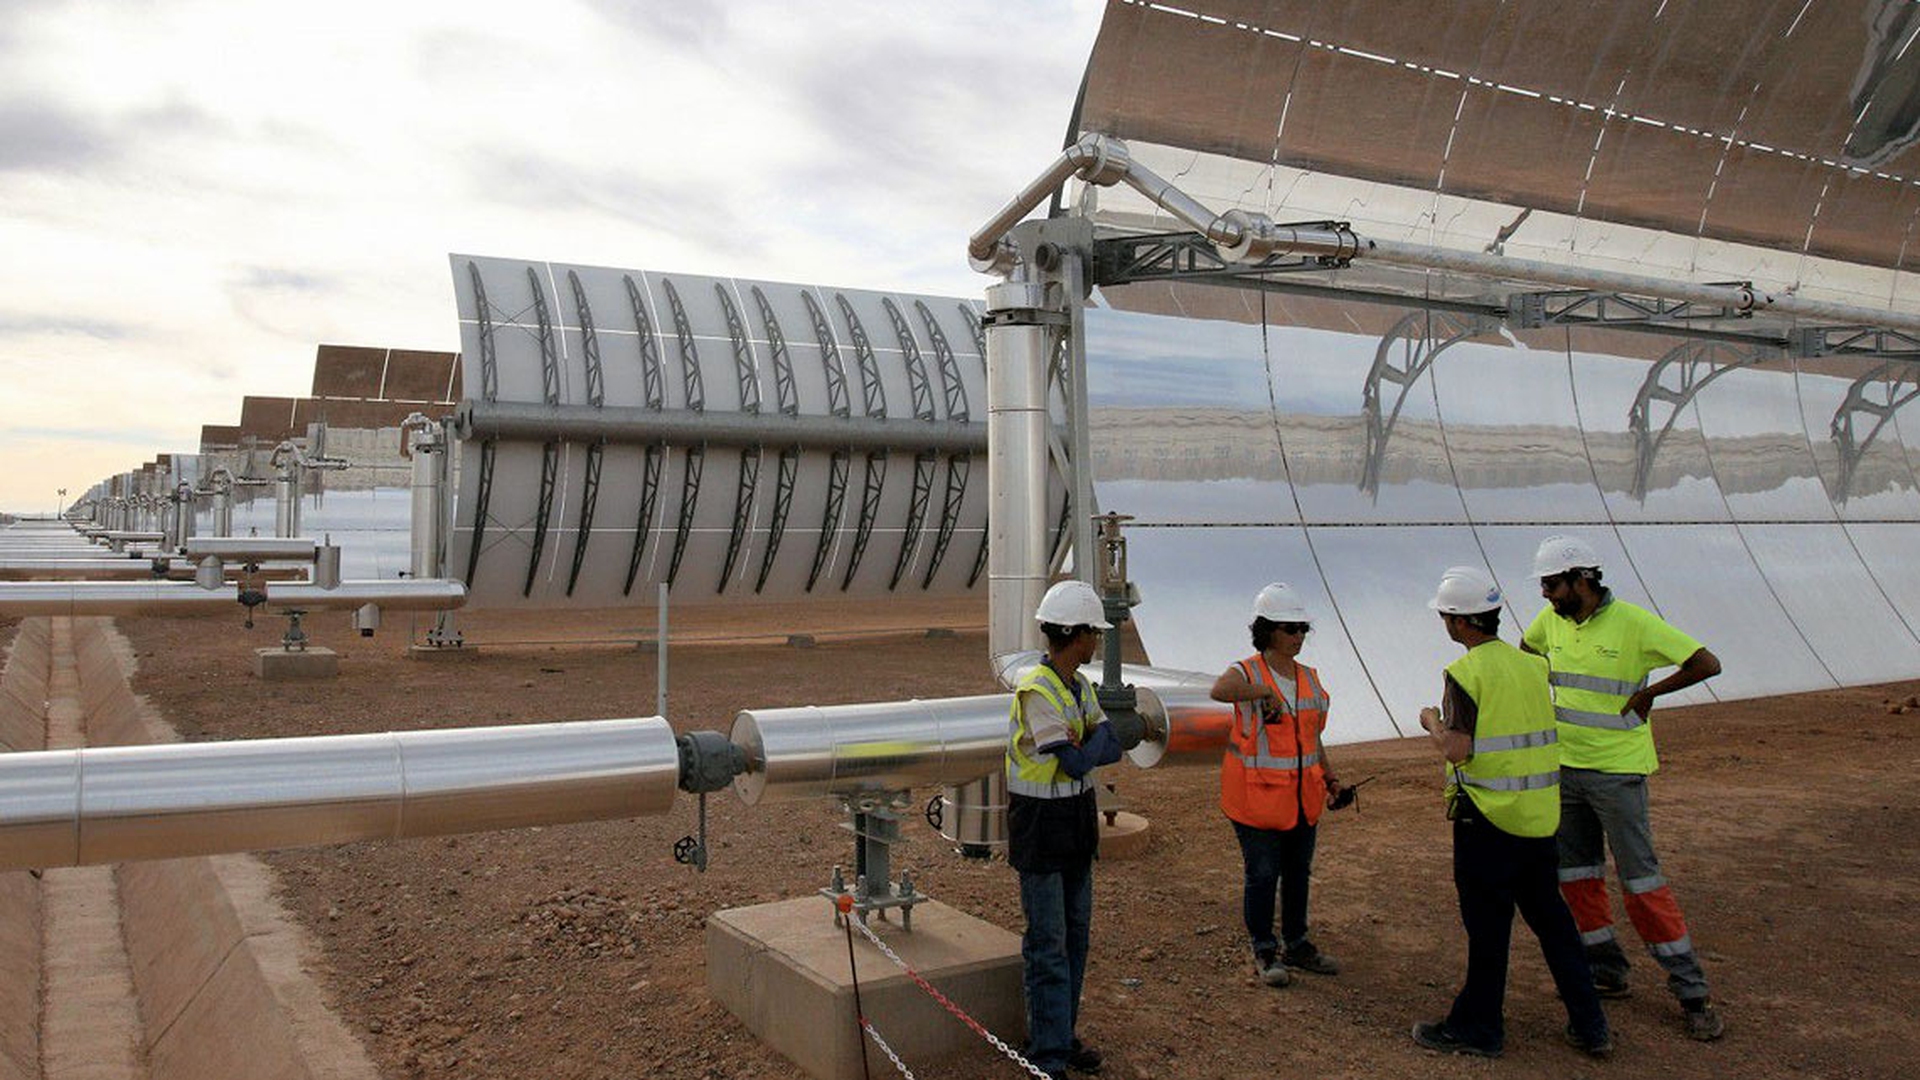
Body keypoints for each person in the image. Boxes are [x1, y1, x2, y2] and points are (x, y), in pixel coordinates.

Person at [1523, 534, 1725, 1041]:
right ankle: (1606, 968)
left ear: (1582, 579)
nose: (1546, 595)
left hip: (1617, 775)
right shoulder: (1552, 622)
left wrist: (1650, 692)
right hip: (1565, 770)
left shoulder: (1634, 623)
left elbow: (1706, 663)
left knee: (1641, 882)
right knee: (1577, 876)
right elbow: (1526, 659)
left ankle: (1692, 992)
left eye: (1552, 584)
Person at [1411, 566, 1613, 1060]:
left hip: (1488, 821)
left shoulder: (1465, 673)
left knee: (1488, 930)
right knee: (1554, 924)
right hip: (1538, 819)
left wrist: (1431, 722)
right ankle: (1591, 1025)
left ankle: (1478, 1028)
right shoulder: (1532, 667)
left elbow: (1458, 750)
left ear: (1459, 623)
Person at [1007, 580, 1124, 1079]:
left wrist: (1091, 748)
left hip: (1075, 825)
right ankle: (1047, 1054)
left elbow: (1110, 745)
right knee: (1049, 943)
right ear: (1075, 634)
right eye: (1092, 634)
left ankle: (1060, 1035)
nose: (1096, 642)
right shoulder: (1036, 689)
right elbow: (1078, 763)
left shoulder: (1078, 688)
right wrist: (1092, 746)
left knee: (1075, 937)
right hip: (1040, 828)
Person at [1207, 582, 1343, 987]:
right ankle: (1265, 949)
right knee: (1263, 873)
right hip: (1256, 799)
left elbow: (1312, 737)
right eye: (1290, 629)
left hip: (1302, 799)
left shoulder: (1309, 679)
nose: (1298, 636)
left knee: (1298, 872)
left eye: (1302, 629)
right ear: (1268, 631)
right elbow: (1220, 690)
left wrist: (1331, 777)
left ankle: (1297, 944)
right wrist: (1262, 691)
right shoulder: (1247, 672)